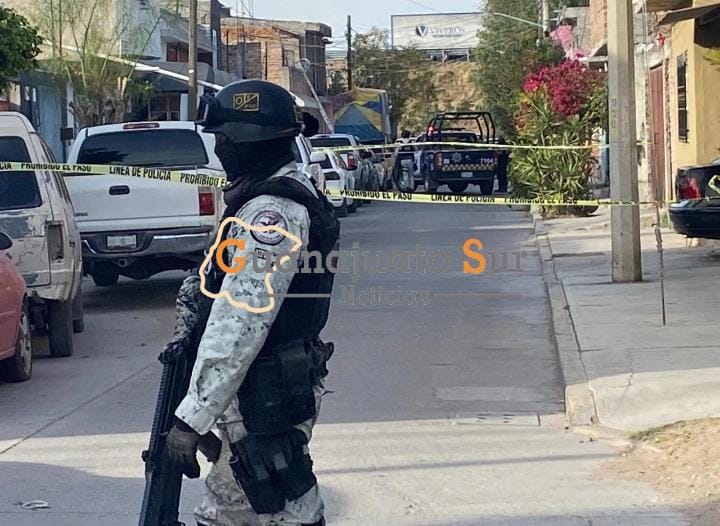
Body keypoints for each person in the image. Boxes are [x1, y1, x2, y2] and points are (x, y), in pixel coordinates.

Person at [165, 79, 340, 526]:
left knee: (260, 507)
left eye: (225, 138)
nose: (219, 147)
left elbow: (240, 321)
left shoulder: (271, 214)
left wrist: (193, 417)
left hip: (264, 394)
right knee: (267, 508)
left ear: (251, 141)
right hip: (260, 390)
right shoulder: (265, 198)